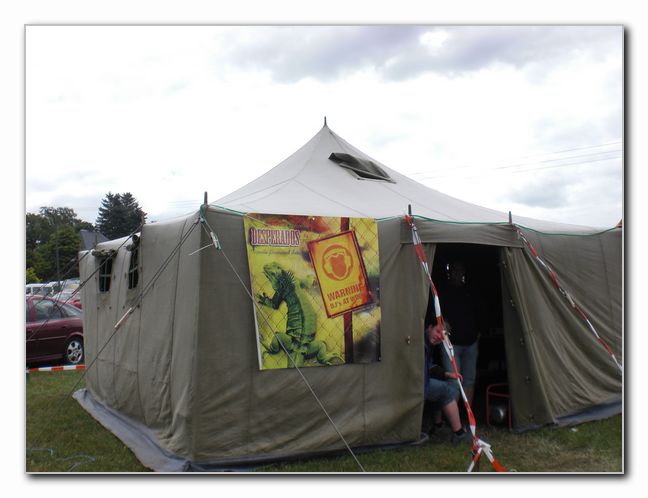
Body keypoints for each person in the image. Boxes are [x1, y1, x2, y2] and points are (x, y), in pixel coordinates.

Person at [438, 260, 479, 406]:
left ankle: (467, 415)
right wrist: (441, 322)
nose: (457, 273)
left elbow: (479, 312)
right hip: (450, 344)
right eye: (454, 270)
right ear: (449, 273)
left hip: (471, 342)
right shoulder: (442, 292)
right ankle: (454, 417)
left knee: (469, 380)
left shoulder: (470, 291)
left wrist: (479, 331)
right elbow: (433, 312)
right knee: (454, 382)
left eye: (460, 270)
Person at [423, 322, 471, 445]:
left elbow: (429, 367)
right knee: (447, 390)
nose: (439, 336)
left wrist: (448, 374)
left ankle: (438, 425)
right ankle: (459, 433)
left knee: (441, 386)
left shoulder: (427, 344)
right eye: (437, 331)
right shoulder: (421, 344)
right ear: (429, 327)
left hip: (419, 382)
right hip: (417, 385)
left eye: (442, 335)